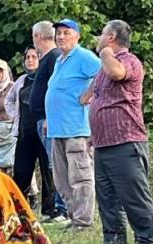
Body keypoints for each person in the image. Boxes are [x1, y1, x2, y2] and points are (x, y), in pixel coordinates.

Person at [88, 20, 153, 244]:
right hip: (103, 143)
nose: (98, 38)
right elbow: (88, 97)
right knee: (107, 199)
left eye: (102, 34)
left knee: (133, 196)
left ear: (111, 37)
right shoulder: (102, 68)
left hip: (126, 141)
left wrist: (106, 53)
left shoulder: (129, 61)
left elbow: (116, 74)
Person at [45, 19, 101, 230]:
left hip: (76, 128)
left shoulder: (83, 56)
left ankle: (83, 221)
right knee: (61, 179)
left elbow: (103, 73)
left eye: (66, 33)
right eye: (58, 33)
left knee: (80, 176)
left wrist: (88, 94)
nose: (61, 37)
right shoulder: (61, 60)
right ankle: (73, 217)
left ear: (77, 36)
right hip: (57, 129)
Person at [31, 20, 68, 223]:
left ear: (38, 37)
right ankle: (59, 207)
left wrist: (49, 116)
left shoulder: (53, 57)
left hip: (49, 120)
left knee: (57, 165)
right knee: (54, 164)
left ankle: (63, 209)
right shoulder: (47, 58)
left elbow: (56, 90)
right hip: (43, 119)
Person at [6, 46, 42, 206]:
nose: (31, 60)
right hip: (24, 131)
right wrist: (15, 116)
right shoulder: (21, 81)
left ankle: (50, 209)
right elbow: (9, 100)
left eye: (34, 57)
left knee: (48, 172)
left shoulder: (46, 78)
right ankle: (18, 206)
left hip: (43, 131)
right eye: (28, 57)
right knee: (21, 171)